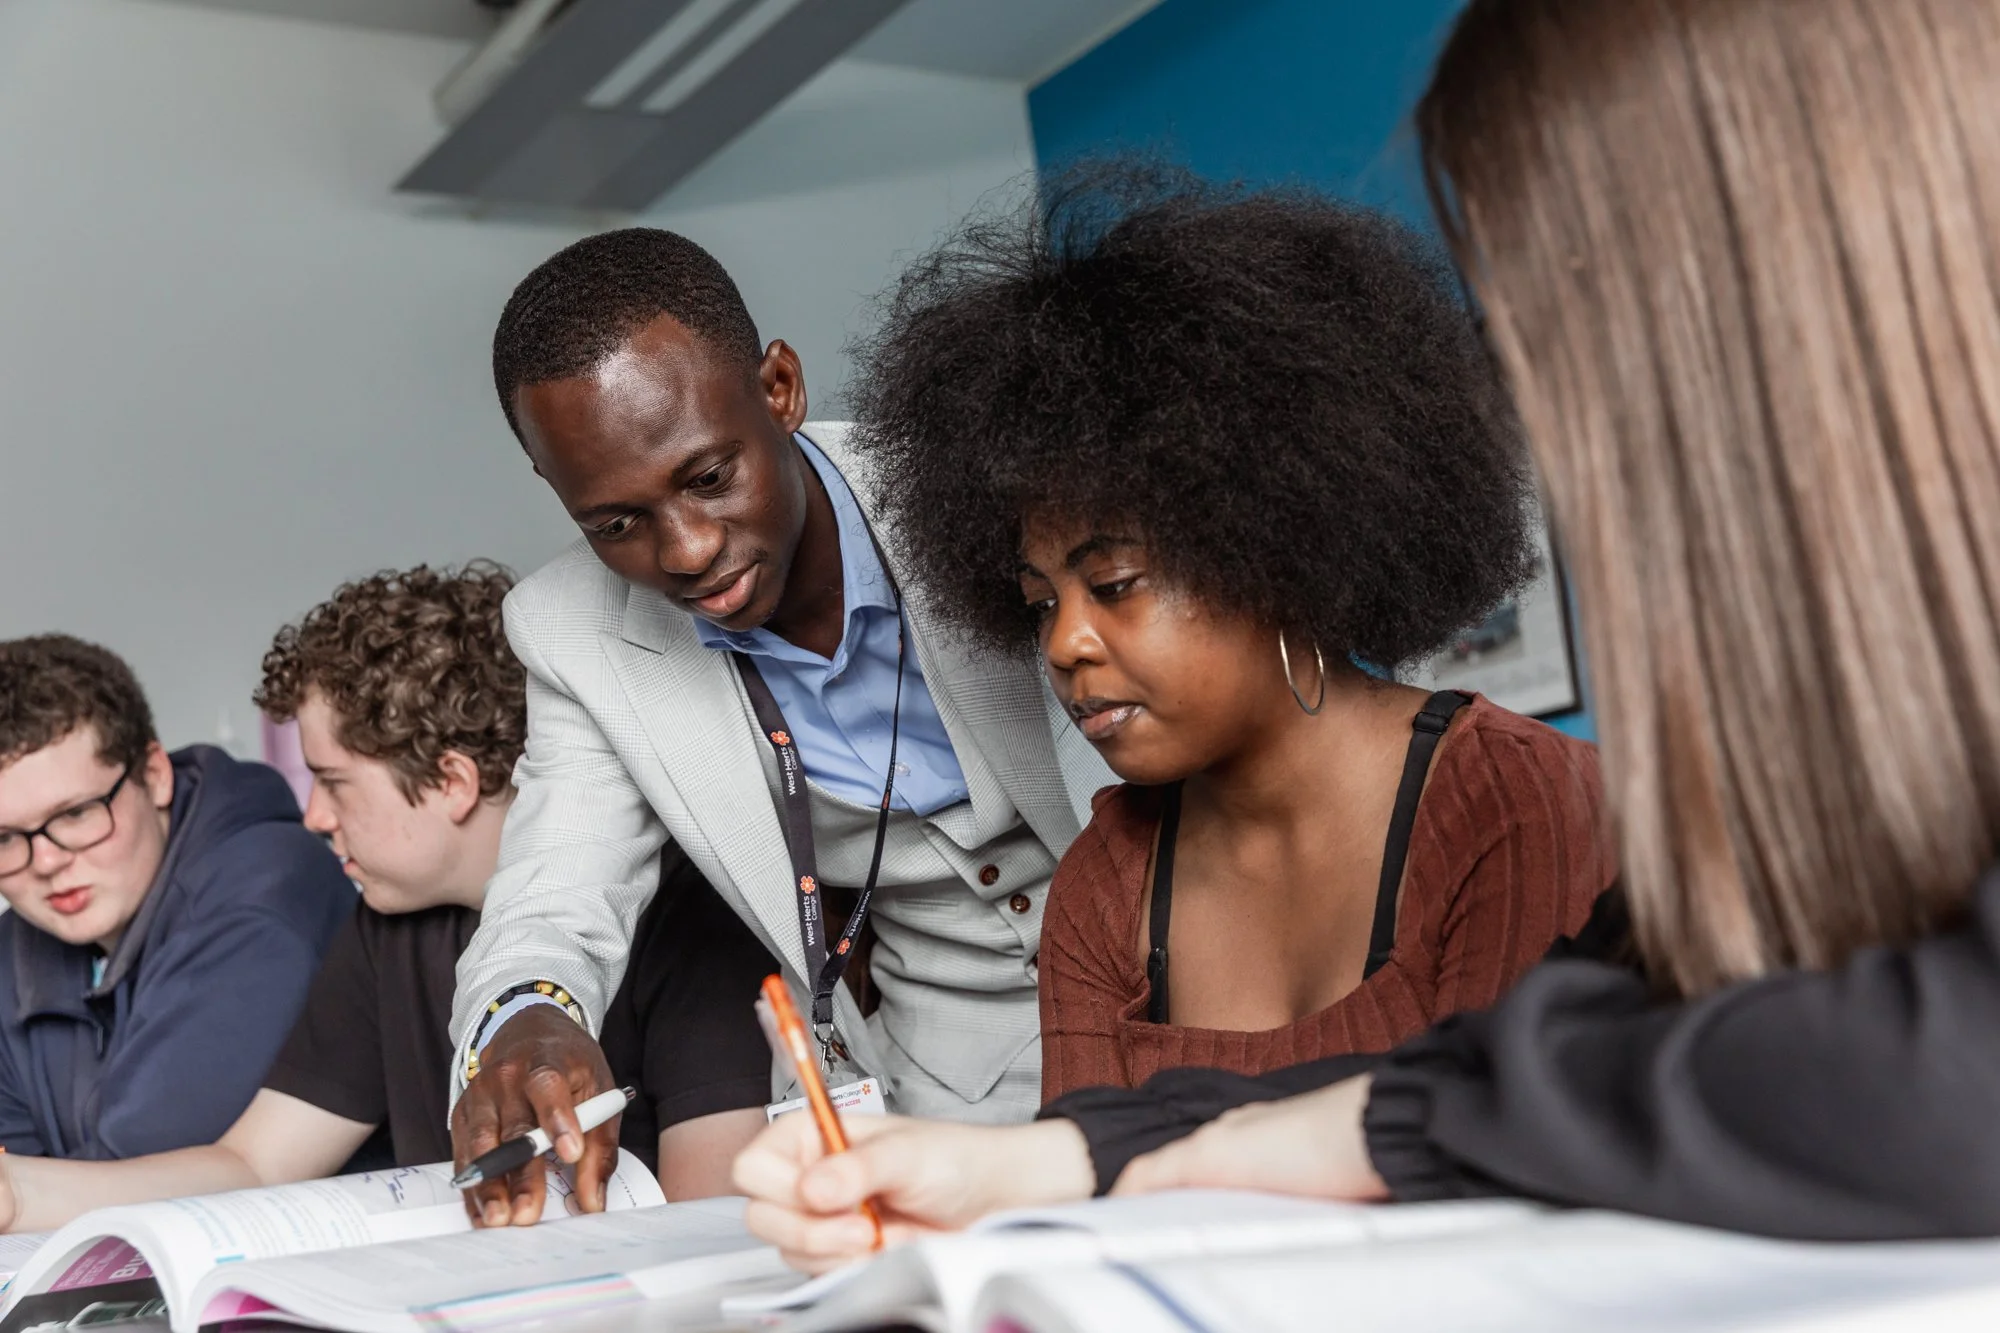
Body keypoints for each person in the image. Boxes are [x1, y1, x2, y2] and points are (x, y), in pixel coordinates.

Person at [732, 0, 2000, 1268]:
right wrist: (1062, 1160)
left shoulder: (1509, 798)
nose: (1559, 438)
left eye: (1562, 348)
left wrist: (1374, 1127)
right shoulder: (1113, 883)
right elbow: (1581, 1043)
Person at [829, 169, 1613, 1104]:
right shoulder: (1106, 885)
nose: (1066, 643)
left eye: (1114, 584)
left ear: (1270, 546)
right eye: (1041, 601)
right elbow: (1089, 1201)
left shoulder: (1517, 803)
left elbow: (1511, 1166)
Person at [451, 225, 1113, 1227]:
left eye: (709, 476)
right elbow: (552, 893)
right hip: (944, 1097)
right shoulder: (568, 632)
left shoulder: (978, 477)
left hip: (1187, 994)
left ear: (779, 389)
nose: (686, 550)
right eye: (615, 523)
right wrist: (525, 1017)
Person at [0, 565, 778, 1232]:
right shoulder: (386, 930)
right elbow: (253, 1161)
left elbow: (713, 1226)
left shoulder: (689, 913)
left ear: (452, 780)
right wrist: (19, 1192)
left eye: (333, 782)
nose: (313, 816)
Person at [0, 635, 352, 1161]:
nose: (47, 863)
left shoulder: (263, 898)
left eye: (76, 814)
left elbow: (142, 1169)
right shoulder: (16, 944)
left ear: (155, 775)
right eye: (5, 838)